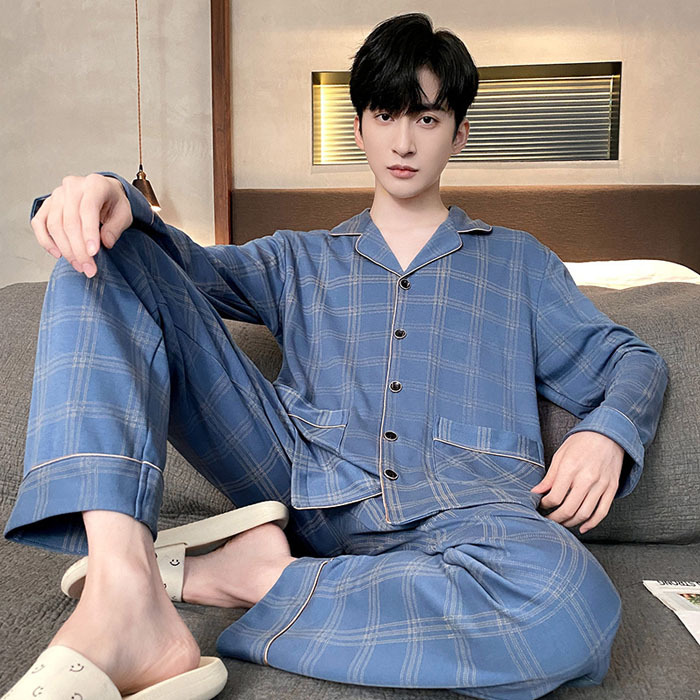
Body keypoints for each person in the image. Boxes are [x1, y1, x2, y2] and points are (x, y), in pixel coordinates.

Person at [2, 11, 668, 700]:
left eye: (428, 119)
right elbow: (177, 267)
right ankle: (123, 589)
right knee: (101, 253)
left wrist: (606, 432)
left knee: (572, 605)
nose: (403, 141)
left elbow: (631, 361)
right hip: (303, 484)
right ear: (359, 128)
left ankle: (255, 576)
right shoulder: (298, 258)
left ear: (460, 133)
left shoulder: (520, 265)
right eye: (385, 115)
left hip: (471, 521)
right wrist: (108, 194)